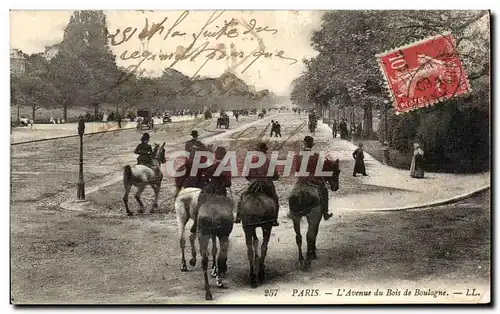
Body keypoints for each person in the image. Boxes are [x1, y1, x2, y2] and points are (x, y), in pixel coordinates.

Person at [235, 142, 280, 226]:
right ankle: (274, 220)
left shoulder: (251, 160)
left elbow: (246, 175)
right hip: (267, 184)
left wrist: (252, 180)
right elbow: (276, 176)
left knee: (242, 197)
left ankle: (238, 217)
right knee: (275, 199)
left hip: (253, 184)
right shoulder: (269, 161)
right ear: (265, 151)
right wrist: (270, 178)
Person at [294, 136, 333, 221]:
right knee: (324, 192)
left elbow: (297, 169)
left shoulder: (298, 155)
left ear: (304, 143)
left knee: (293, 194)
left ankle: (293, 212)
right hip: (313, 180)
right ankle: (325, 213)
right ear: (312, 145)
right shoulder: (316, 155)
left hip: (301, 180)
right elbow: (319, 170)